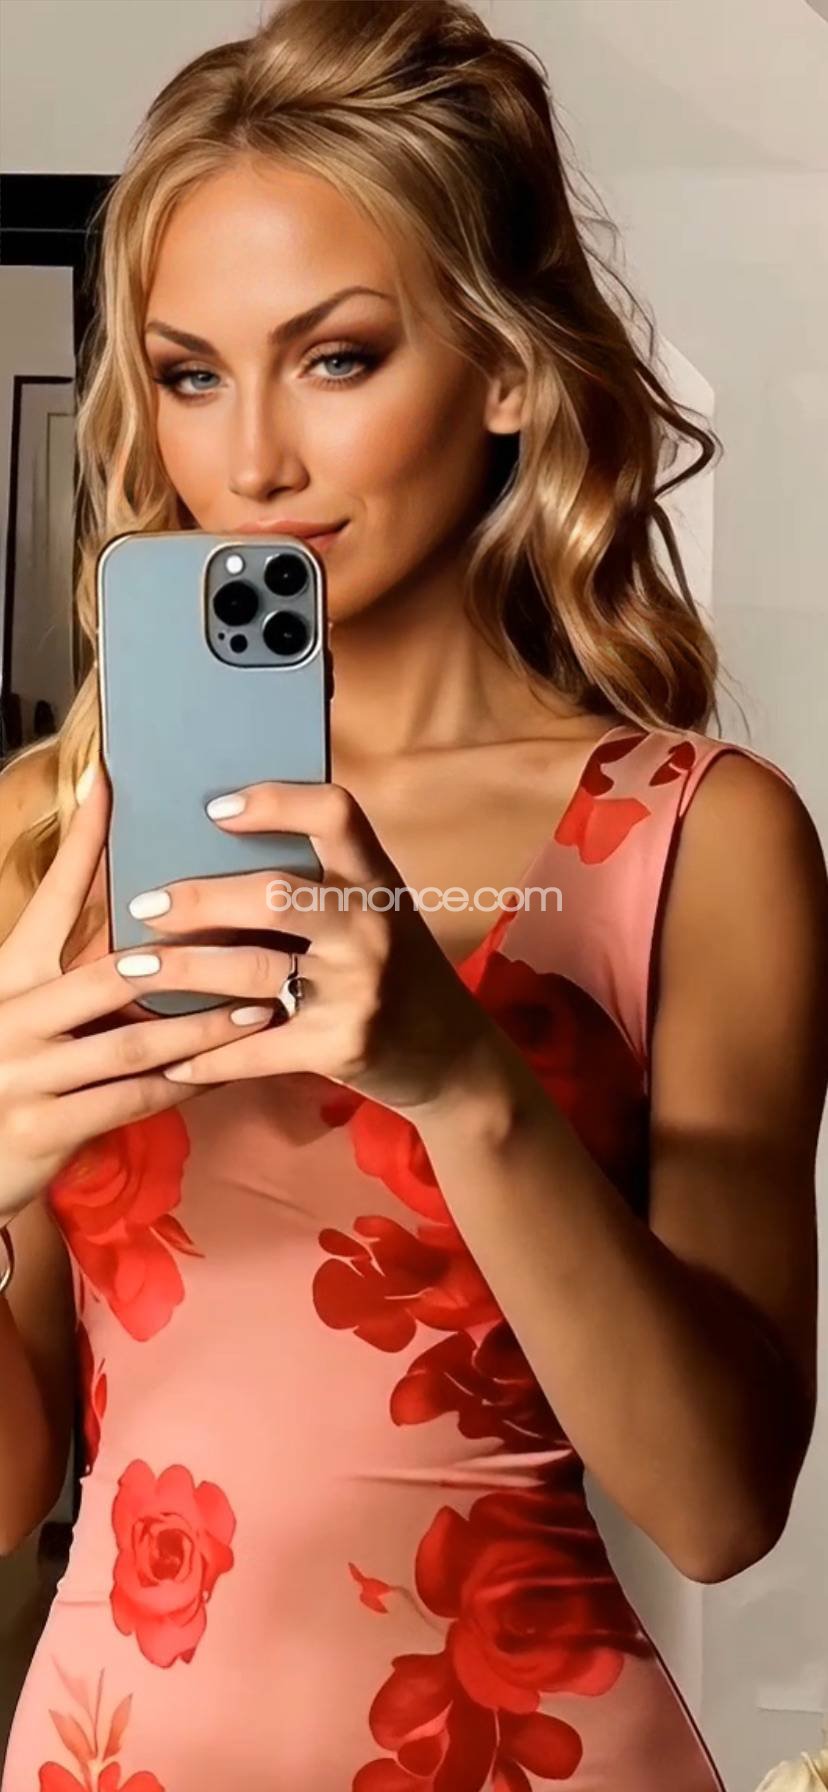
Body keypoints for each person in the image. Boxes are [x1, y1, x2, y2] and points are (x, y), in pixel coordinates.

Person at [1, 2, 826, 1788]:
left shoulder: (690, 838)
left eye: (339, 357)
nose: (252, 462)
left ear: (510, 372)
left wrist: (462, 1080)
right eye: (191, 374)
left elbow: (719, 1507)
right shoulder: (48, 831)